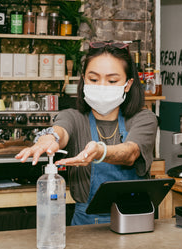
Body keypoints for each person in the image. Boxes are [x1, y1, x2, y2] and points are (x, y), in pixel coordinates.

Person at [15, 41, 158, 225]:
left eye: (112, 80)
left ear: (128, 84)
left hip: (135, 221)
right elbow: (61, 130)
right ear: (83, 79)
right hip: (86, 225)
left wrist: (100, 152)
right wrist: (50, 137)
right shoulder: (74, 118)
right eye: (93, 79)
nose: (102, 86)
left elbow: (130, 153)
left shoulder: (143, 118)